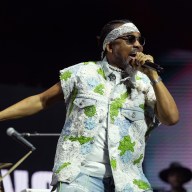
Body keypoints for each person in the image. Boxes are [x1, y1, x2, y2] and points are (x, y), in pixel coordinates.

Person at [0, 19, 179, 192]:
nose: (138, 45)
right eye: (130, 39)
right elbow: (41, 100)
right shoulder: (82, 73)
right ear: (110, 46)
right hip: (80, 175)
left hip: (129, 179)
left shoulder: (145, 83)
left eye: (141, 40)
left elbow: (171, 118)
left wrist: (153, 75)